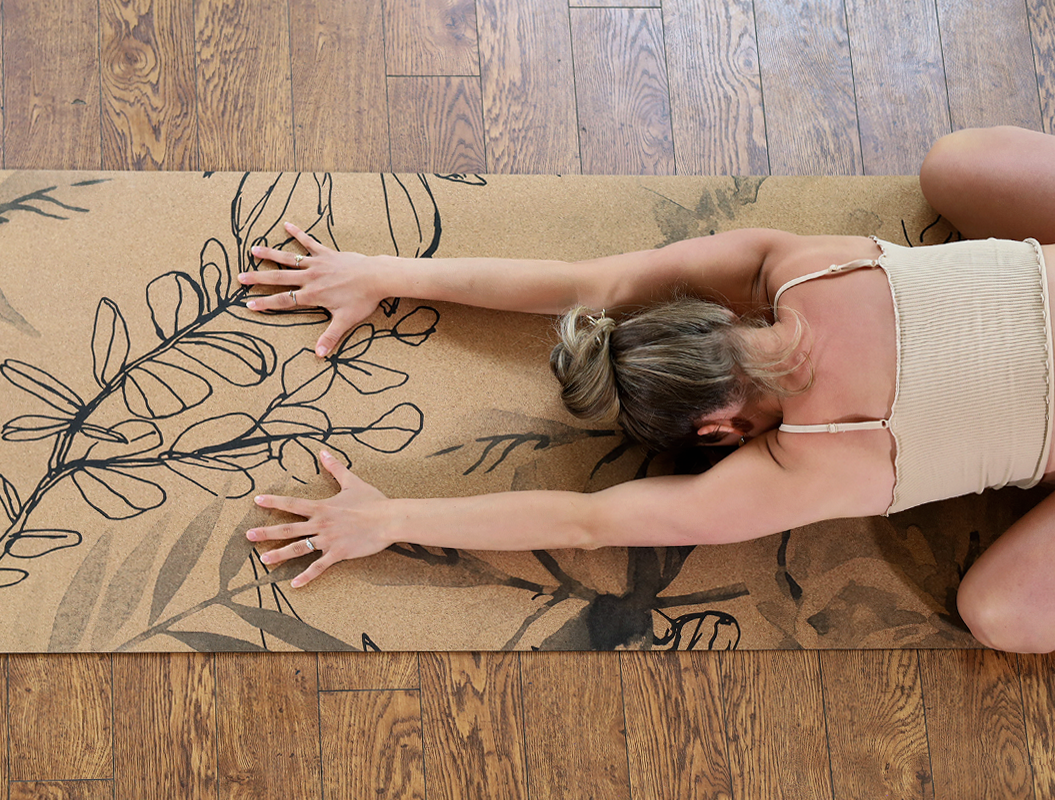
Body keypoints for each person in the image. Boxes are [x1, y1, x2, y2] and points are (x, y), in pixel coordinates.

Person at [236, 126, 1055, 654]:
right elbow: (586, 283)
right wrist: (383, 271)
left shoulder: (814, 463)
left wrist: (390, 519)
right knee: (953, 163)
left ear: (718, 432)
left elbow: (587, 522)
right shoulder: (800, 266)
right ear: (710, 317)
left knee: (1000, 615)